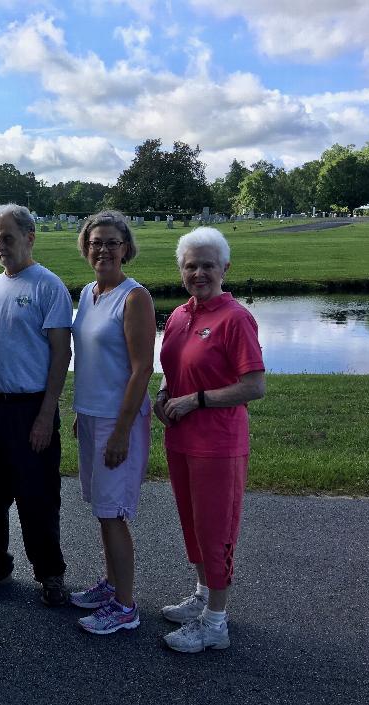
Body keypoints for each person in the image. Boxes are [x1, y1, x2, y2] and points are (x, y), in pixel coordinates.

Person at [154, 227, 266, 653]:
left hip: (218, 444)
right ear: (181, 270)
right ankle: (201, 596)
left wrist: (196, 400)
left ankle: (216, 622)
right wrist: (166, 392)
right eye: (191, 265)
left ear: (224, 268)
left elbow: (254, 385)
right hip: (181, 440)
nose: (199, 272)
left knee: (216, 529)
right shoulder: (181, 315)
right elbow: (173, 365)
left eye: (207, 265)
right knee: (193, 524)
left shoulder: (235, 317)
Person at [0, 204, 73, 607]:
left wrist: (46, 415)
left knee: (38, 497)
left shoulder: (48, 286)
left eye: (6, 237)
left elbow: (62, 354)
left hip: (31, 409)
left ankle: (49, 573)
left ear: (29, 237)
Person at [68, 211, 156, 635]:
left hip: (117, 420)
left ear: (126, 249)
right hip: (90, 415)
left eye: (112, 242)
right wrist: (78, 412)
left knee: (113, 512)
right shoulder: (89, 292)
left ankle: (126, 605)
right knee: (102, 510)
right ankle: (112, 584)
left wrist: (121, 430)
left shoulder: (134, 297)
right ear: (86, 247)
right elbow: (90, 358)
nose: (103, 249)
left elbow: (142, 370)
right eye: (96, 242)